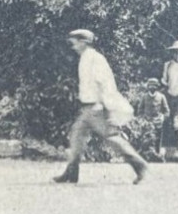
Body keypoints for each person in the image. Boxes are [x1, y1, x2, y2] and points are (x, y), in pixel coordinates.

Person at [53, 29, 150, 185]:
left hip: (96, 107)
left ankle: (140, 166)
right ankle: (71, 173)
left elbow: (105, 84)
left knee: (112, 138)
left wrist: (107, 106)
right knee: (77, 136)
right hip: (87, 107)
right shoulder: (85, 58)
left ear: (83, 42)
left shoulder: (95, 59)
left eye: (75, 42)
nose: (73, 46)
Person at [134, 78, 170, 161]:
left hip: (158, 122)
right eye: (150, 86)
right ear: (148, 87)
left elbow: (167, 111)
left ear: (157, 87)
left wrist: (162, 117)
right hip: (147, 123)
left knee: (158, 141)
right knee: (146, 141)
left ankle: (157, 156)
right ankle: (147, 156)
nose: (152, 88)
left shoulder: (161, 97)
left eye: (154, 86)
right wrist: (142, 119)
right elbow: (140, 110)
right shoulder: (144, 97)